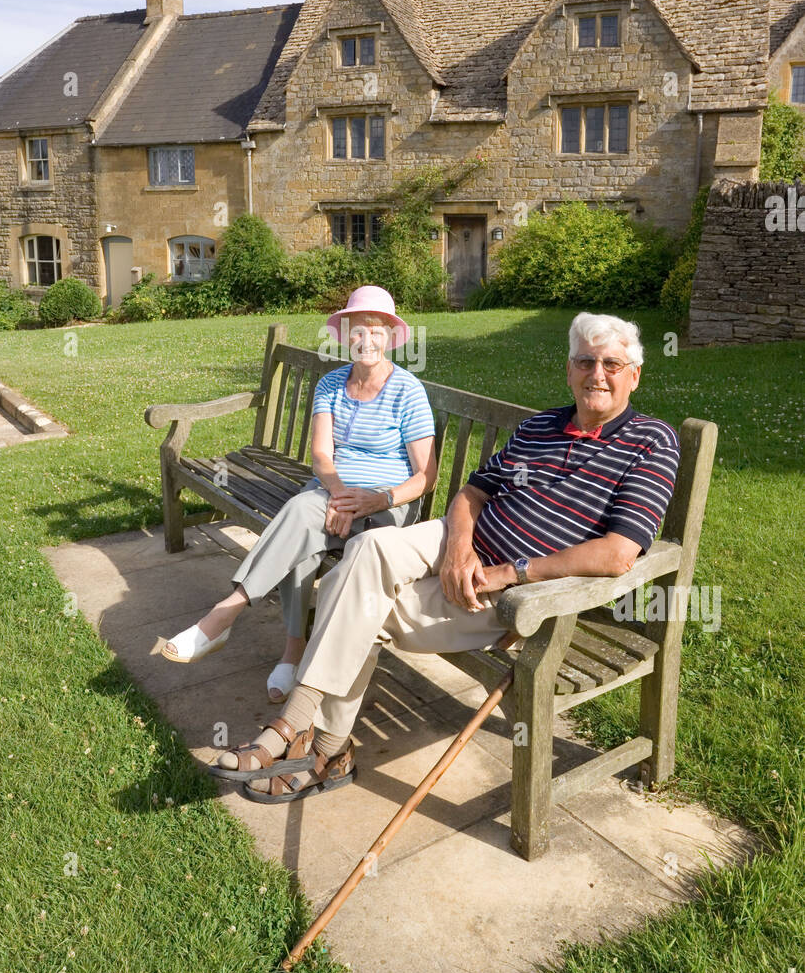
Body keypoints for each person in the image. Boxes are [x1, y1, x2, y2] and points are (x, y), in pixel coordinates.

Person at [210, 311, 682, 799]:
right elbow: (469, 495)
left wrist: (509, 572)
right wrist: (458, 548)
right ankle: (313, 738)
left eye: (611, 364)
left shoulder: (651, 442)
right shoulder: (541, 426)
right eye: (585, 361)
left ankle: (316, 742)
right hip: (457, 546)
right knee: (367, 547)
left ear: (635, 375)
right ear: (568, 369)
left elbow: (618, 553)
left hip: (520, 594)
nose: (597, 374)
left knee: (351, 599)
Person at [160, 286, 437, 703]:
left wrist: (375, 500)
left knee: (301, 515)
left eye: (376, 331)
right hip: (332, 492)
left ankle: (224, 617)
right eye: (358, 330)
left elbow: (426, 476)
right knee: (305, 529)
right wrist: (342, 494)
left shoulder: (408, 391)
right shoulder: (330, 385)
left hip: (387, 505)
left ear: (390, 337)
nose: (367, 340)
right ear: (345, 334)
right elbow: (322, 455)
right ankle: (292, 654)